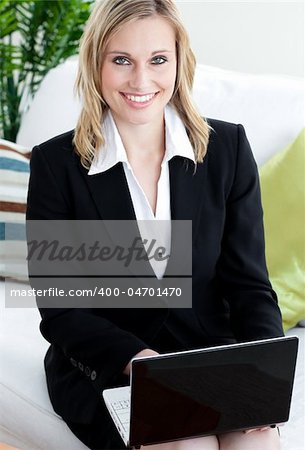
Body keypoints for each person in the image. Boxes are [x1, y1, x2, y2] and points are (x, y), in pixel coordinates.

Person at [26, 0, 285, 449]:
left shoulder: (228, 149)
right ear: (96, 64)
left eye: (158, 60)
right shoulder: (56, 164)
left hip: (208, 357)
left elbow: (250, 286)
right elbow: (63, 309)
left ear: (180, 62)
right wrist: (143, 363)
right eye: (121, 60)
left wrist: (262, 377)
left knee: (257, 444)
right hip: (111, 365)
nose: (141, 81)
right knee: (188, 443)